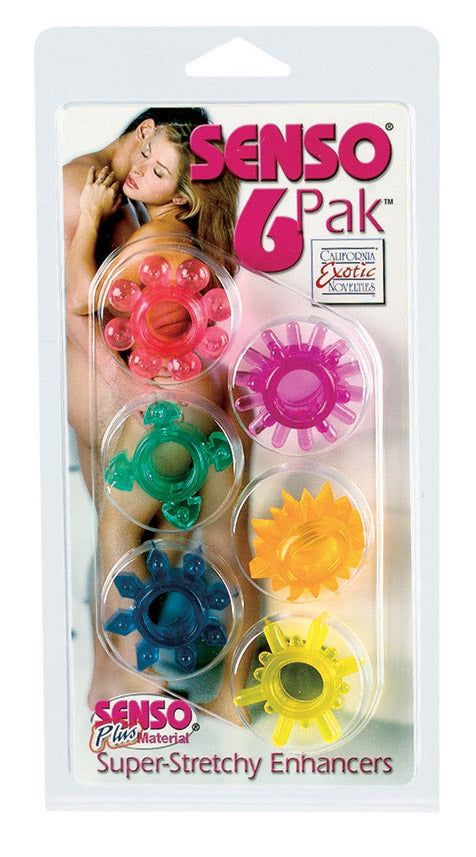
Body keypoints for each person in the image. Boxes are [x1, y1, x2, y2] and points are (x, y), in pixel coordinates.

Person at [66, 119, 258, 717]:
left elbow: (79, 299)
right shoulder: (194, 244)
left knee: (119, 535)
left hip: (170, 406)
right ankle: (233, 698)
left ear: (182, 197)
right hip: (213, 396)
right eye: (145, 153)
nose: (138, 169)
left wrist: (90, 218)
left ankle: (130, 684)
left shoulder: (153, 240)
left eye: (156, 169)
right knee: (227, 546)